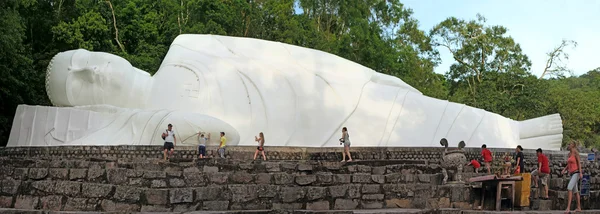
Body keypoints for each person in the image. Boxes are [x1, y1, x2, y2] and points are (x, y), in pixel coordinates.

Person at [561, 141, 583, 212]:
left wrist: (580, 173)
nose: (568, 145)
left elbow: (579, 163)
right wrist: (564, 169)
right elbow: (569, 164)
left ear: (573, 145)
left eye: (569, 144)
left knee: (569, 188)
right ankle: (579, 207)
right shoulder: (569, 154)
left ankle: (568, 208)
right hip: (571, 173)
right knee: (575, 191)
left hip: (576, 173)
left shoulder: (575, 153)